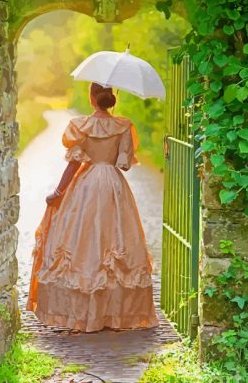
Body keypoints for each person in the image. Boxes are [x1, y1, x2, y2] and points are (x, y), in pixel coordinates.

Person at [26, 82, 160, 332]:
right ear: (111, 98)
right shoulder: (124, 126)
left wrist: (58, 192)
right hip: (114, 188)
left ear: (91, 97)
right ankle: (112, 314)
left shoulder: (80, 126)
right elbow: (125, 164)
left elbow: (74, 164)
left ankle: (83, 313)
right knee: (115, 241)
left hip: (86, 187)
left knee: (84, 241)